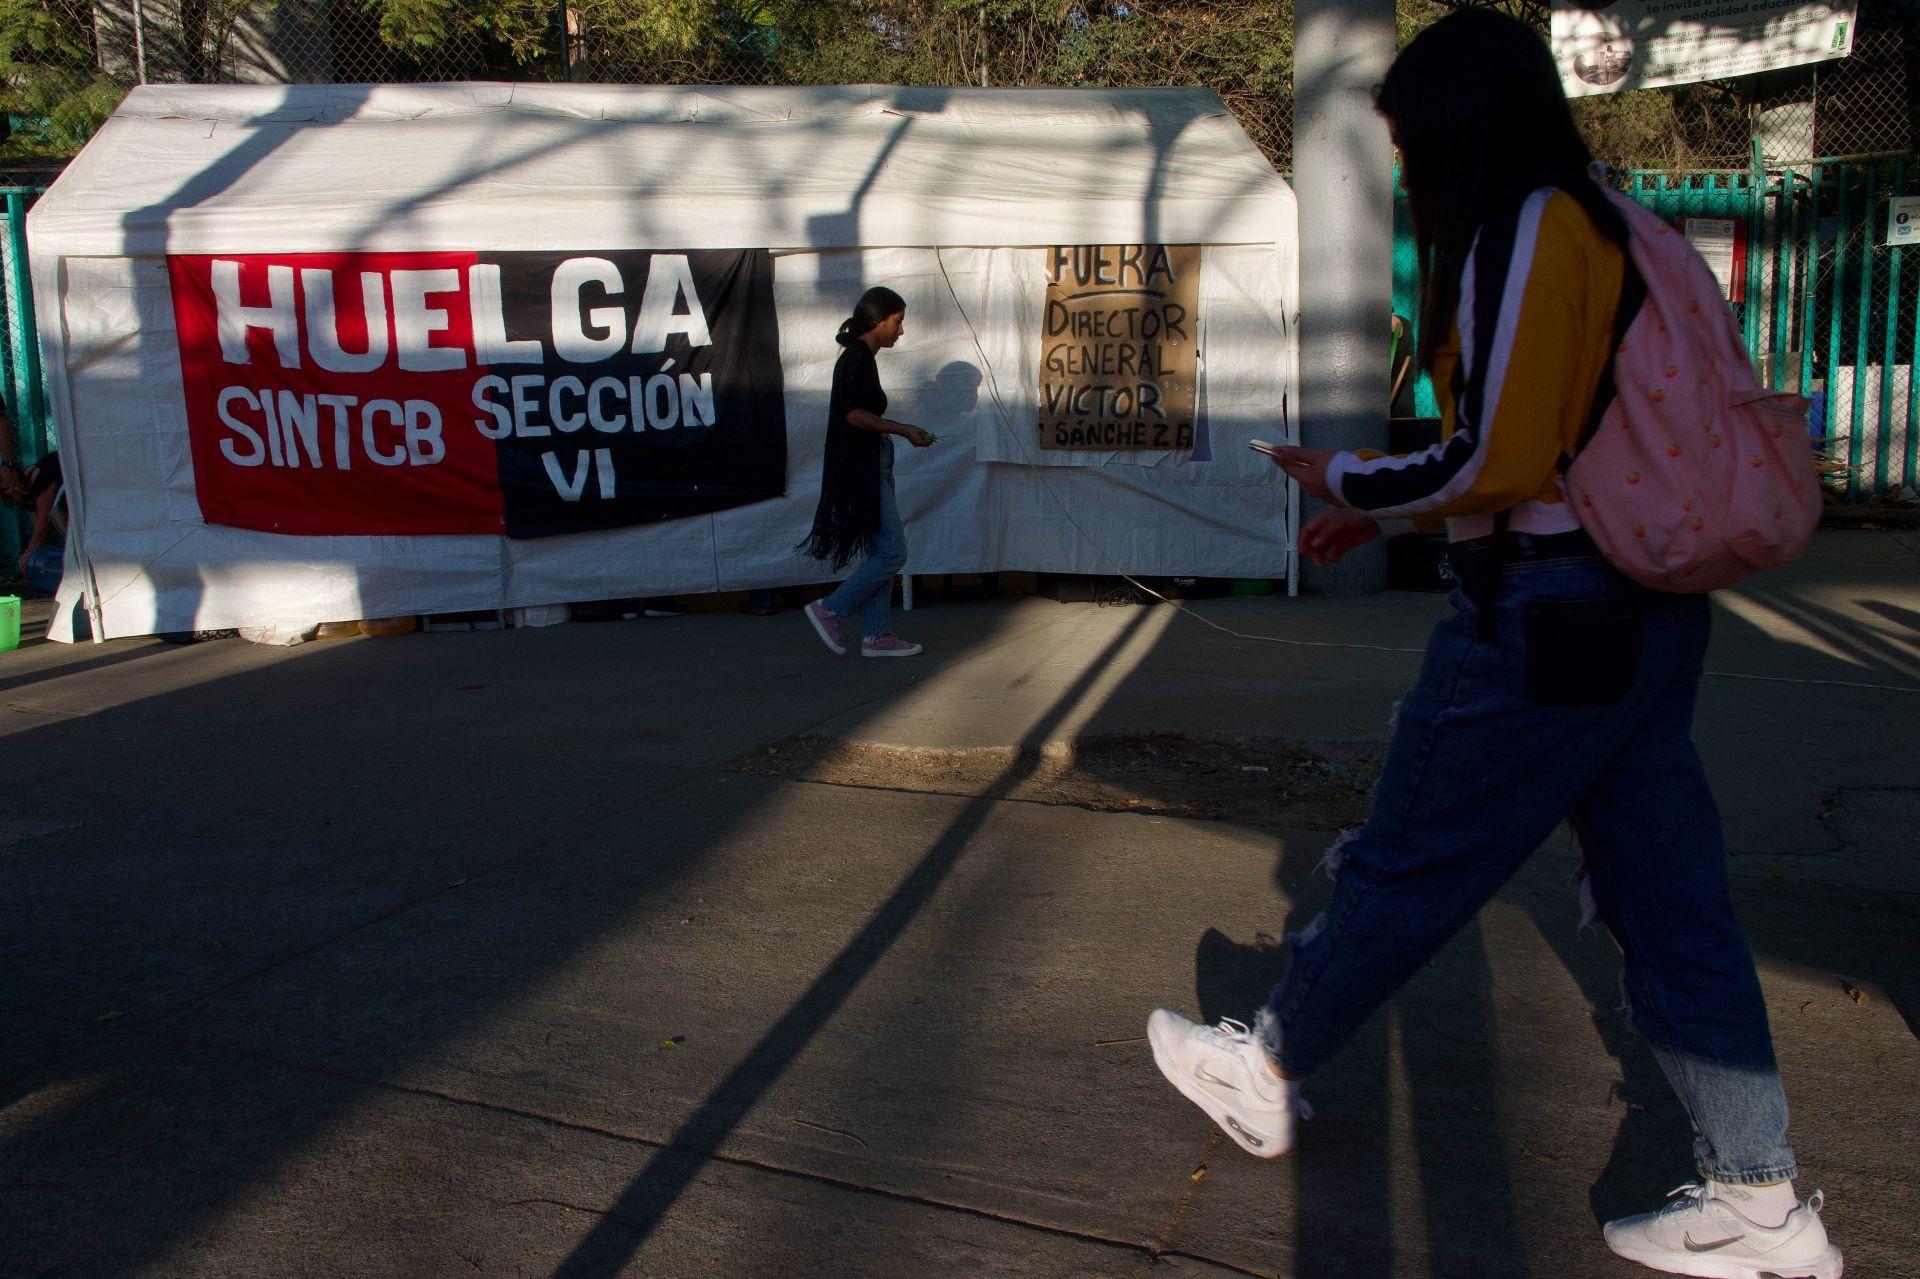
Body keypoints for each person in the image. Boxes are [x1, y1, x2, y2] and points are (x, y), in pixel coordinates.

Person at [1145, 13, 1841, 1279]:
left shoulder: (1530, 226)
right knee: (1670, 900)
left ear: (1461, 126)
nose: (1404, 171)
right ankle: (1760, 1201)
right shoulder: (1625, 219)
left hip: (1548, 609)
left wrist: (1353, 474)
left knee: (1414, 852)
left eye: (1408, 142)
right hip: (1641, 605)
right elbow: (1570, 435)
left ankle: (1269, 1060)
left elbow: (1504, 458)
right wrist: (1391, 507)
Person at [797, 286, 934, 658]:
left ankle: (876, 635)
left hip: (871, 462)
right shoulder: (857, 357)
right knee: (892, 552)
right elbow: (853, 414)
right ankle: (831, 609)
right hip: (864, 466)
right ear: (878, 320)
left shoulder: (860, 356)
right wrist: (904, 429)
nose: (901, 330)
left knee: (880, 549)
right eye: (898, 321)